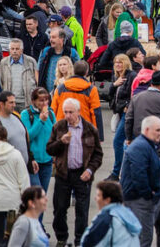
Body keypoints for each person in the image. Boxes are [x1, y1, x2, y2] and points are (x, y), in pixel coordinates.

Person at [46, 98, 104, 246]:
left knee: (82, 211)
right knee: (59, 209)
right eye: (65, 112)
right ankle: (61, 237)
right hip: (63, 174)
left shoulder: (90, 129)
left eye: (71, 112)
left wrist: (90, 170)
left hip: (82, 174)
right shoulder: (59, 127)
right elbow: (49, 149)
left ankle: (80, 240)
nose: (68, 115)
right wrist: (61, 142)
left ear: (78, 112)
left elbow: (98, 154)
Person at [121, 115, 160, 247]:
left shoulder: (147, 145)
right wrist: (148, 195)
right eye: (157, 130)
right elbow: (139, 174)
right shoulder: (141, 147)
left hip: (141, 199)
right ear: (146, 130)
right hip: (139, 200)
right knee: (143, 238)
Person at [0, 91, 36, 177]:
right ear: (1, 104)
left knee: (38, 190)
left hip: (26, 168)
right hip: (9, 172)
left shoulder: (16, 116)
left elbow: (25, 140)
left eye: (14, 102)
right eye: (11, 102)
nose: (14, 105)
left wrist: (31, 159)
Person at [51, 60, 104, 140]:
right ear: (86, 72)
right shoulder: (91, 89)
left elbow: (53, 110)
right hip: (84, 128)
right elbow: (96, 113)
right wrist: (99, 136)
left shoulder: (61, 88)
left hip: (62, 127)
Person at [80, 181, 142, 246]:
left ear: (107, 200)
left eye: (98, 195)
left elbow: (87, 242)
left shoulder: (106, 219)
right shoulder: (128, 213)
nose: (95, 198)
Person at [125, 70, 160, 141]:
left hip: (139, 136)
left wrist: (129, 138)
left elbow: (129, 119)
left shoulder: (136, 97)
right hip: (157, 138)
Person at [20, 88, 56, 192]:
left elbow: (54, 135)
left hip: (47, 160)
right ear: (33, 101)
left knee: (43, 194)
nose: (44, 103)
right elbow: (28, 136)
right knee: (37, 193)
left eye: (46, 100)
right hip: (32, 161)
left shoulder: (51, 114)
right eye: (41, 100)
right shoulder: (26, 114)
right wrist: (41, 121)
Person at [37, 28, 80, 96]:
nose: (51, 40)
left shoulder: (72, 52)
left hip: (66, 93)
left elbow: (80, 71)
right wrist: (39, 86)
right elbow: (37, 70)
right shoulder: (45, 51)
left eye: (53, 37)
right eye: (50, 37)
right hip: (46, 94)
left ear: (61, 39)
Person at [0, 39, 38, 111]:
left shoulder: (31, 62)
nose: (14, 51)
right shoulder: (3, 63)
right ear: (9, 50)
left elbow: (36, 81)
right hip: (10, 102)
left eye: (17, 49)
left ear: (22, 50)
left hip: (26, 103)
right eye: (12, 49)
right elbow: (2, 81)